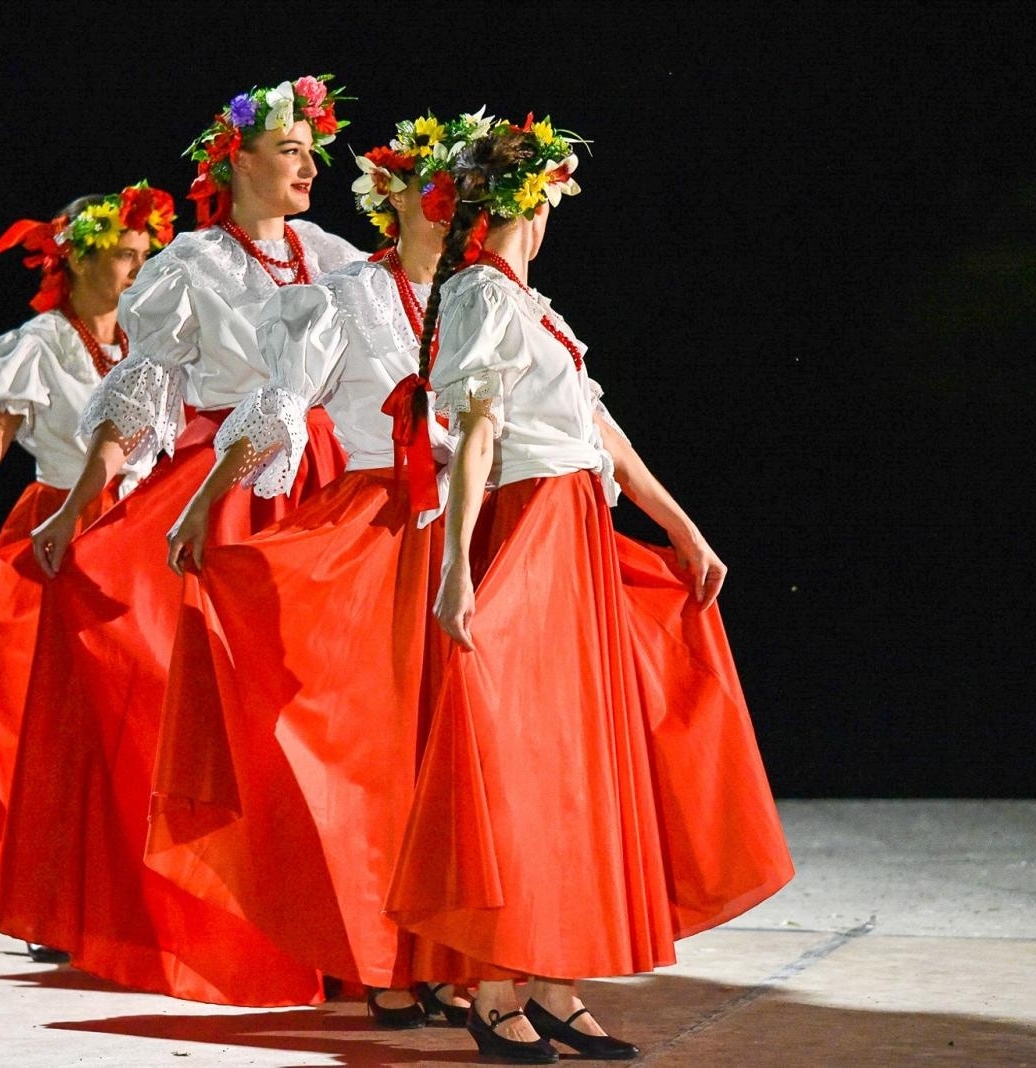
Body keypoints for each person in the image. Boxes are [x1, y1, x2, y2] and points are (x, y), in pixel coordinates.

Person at [383, 119, 796, 1063]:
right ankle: (493, 986)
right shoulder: (483, 294)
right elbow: (479, 438)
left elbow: (597, 430)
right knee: (518, 756)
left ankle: (553, 982)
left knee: (574, 762)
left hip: (577, 533)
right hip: (529, 529)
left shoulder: (535, 307)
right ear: (524, 202)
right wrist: (456, 572)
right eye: (546, 191)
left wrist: (679, 524)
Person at [0, 76, 364, 1007]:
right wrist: (77, 508)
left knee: (323, 709)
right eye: (290, 150)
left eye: (311, 150)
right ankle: (222, 917)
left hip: (315, 475)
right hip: (221, 483)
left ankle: (334, 926)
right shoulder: (192, 263)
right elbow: (141, 394)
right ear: (235, 162)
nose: (309, 165)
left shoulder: (327, 251)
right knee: (209, 707)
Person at [146, 112, 498, 1029]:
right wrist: (204, 496)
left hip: (457, 529)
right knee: (372, 754)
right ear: (396, 199)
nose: (452, 204)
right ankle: (379, 958)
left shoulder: (474, 295)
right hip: (374, 531)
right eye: (436, 187)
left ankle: (446, 953)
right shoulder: (347, 296)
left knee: (448, 756)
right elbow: (284, 400)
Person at [0, 184, 172, 922]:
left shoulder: (150, 340)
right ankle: (56, 898)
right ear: (77, 256)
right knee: (69, 720)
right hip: (66, 525)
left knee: (142, 712)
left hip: (142, 529)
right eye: (122, 255)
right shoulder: (40, 344)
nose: (134, 269)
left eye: (141, 255)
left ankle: (132, 887)